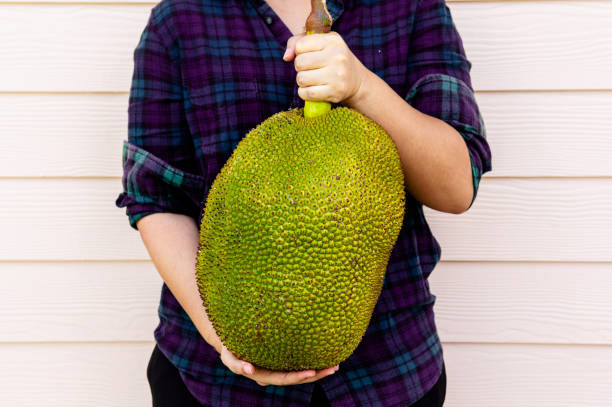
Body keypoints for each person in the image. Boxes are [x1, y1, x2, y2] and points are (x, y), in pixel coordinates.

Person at [115, 0, 492, 405]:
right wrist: (224, 335)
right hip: (215, 380)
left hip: (388, 370)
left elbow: (456, 188)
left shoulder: (412, 8)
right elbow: (155, 198)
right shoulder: (179, 18)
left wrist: (363, 88)